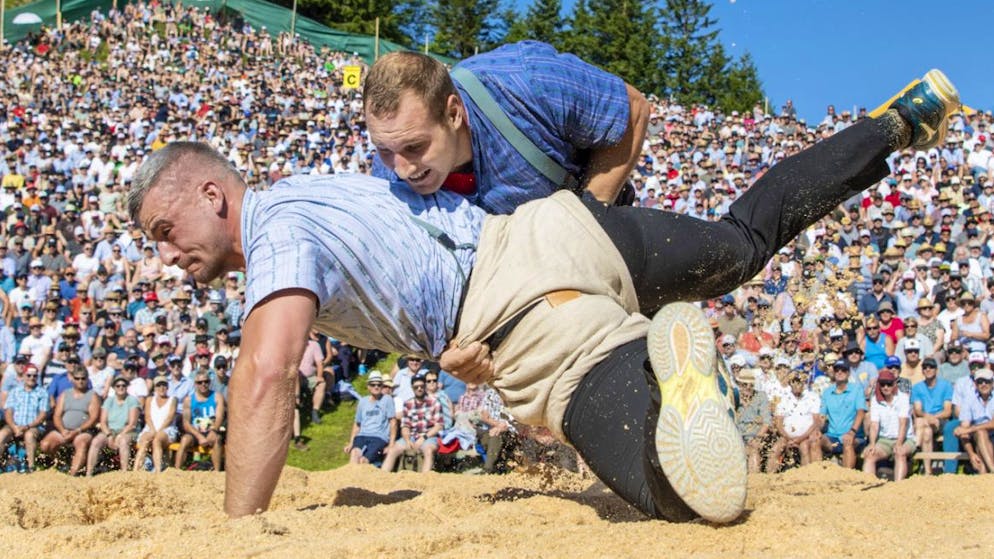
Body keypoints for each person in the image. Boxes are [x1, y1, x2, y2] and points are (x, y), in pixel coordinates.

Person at [126, 72, 961, 522]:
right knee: (740, 244)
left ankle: (674, 377)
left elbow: (266, 371)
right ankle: (892, 126)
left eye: (165, 232)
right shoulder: (314, 190)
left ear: (211, 196)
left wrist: (235, 531)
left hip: (526, 325)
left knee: (686, 495)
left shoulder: (273, 229)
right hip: (568, 232)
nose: (167, 258)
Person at [365, 42, 649, 213]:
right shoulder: (385, 181)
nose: (402, 169)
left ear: (453, 114)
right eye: (385, 150)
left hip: (587, 226)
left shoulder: (529, 80)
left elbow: (633, 111)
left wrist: (587, 216)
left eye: (415, 147)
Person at [39, 366, 100, 476]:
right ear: (72, 379)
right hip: (64, 430)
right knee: (45, 444)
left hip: (82, 431)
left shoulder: (92, 395)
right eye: (77, 378)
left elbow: (93, 418)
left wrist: (78, 430)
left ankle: (72, 475)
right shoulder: (65, 394)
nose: (80, 381)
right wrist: (62, 430)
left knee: (81, 444)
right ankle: (57, 463)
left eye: (83, 378)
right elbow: (57, 415)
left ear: (87, 379)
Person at [380, 374, 442, 473]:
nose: (419, 389)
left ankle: (424, 480)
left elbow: (438, 426)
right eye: (416, 387)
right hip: (412, 436)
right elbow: (405, 425)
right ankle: (382, 476)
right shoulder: (408, 403)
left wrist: (423, 438)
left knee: (428, 451)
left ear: (425, 386)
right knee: (392, 450)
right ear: (412, 388)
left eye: (421, 386)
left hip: (429, 436)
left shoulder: (434, 402)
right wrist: (407, 439)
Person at [863, 369, 917, 481]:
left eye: (889, 384)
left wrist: (899, 443)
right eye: (883, 384)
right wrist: (872, 444)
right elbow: (874, 425)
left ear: (894, 384)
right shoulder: (875, 400)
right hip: (884, 439)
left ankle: (898, 486)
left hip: (906, 438)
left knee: (900, 452)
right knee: (870, 454)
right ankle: (868, 485)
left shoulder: (903, 398)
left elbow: (903, 423)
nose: (886, 387)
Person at [85, 375, 141, 476]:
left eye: (123, 385)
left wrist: (120, 435)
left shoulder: (132, 400)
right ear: (114, 387)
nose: (121, 387)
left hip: (127, 431)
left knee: (123, 441)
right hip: (110, 430)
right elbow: (103, 422)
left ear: (127, 387)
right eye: (118, 385)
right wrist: (109, 435)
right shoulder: (109, 401)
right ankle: (89, 473)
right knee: (96, 441)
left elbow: (132, 424)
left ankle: (124, 473)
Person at [819, 360, 867, 469]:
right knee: (814, 440)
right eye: (837, 370)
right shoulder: (827, 392)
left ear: (848, 373)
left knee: (847, 442)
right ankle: (815, 477)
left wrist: (852, 432)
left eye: (843, 370)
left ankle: (847, 477)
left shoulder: (856, 389)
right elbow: (821, 417)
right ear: (833, 372)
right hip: (832, 436)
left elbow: (861, 412)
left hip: (853, 435)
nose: (840, 372)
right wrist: (816, 430)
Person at [0, 364, 49, 472]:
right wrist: (14, 427)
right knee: (1, 435)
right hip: (14, 425)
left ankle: (31, 467)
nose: (31, 378)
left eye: (34, 376)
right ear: (23, 376)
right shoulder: (15, 391)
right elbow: (8, 411)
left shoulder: (42, 392)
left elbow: (42, 415)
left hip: (33, 426)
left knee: (29, 435)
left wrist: (27, 426)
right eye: (29, 375)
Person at [770, 370, 823, 470]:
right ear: (790, 383)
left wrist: (801, 437)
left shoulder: (812, 397)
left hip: (805, 436)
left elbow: (816, 421)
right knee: (775, 449)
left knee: (804, 447)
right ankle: (768, 478)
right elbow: (779, 423)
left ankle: (805, 477)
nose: (798, 384)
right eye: (794, 381)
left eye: (800, 382)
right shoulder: (783, 399)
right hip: (786, 436)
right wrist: (788, 437)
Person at [175, 371, 225, 471]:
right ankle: (176, 471)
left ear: (209, 382)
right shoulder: (189, 400)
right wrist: (199, 436)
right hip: (195, 432)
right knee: (185, 440)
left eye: (206, 381)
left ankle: (216, 471)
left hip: (212, 429)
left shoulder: (217, 396)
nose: (203, 384)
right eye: (200, 382)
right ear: (195, 384)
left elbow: (219, 417)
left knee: (217, 439)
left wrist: (214, 431)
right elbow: (186, 423)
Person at [911, 357, 953, 475]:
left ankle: (915, 447)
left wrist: (934, 417)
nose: (928, 369)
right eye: (925, 367)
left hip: (940, 419)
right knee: (927, 432)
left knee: (920, 423)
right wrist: (929, 418)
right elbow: (918, 410)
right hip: (926, 421)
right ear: (922, 371)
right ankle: (928, 470)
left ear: (936, 370)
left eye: (931, 367)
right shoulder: (917, 387)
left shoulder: (946, 385)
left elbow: (947, 411)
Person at [344, 371, 396, 465]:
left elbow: (393, 422)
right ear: (368, 386)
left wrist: (391, 444)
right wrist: (351, 442)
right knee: (354, 454)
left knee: (364, 460)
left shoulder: (387, 399)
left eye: (379, 384)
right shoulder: (363, 402)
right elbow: (357, 424)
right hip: (362, 435)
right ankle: (351, 479)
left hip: (379, 437)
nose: (376, 387)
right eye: (373, 384)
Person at [952, 368, 994, 473]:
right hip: (978, 437)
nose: (983, 384)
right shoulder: (969, 399)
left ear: (992, 383)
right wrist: (971, 454)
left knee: (981, 450)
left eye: (987, 381)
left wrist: (971, 429)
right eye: (980, 382)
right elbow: (963, 430)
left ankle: (988, 476)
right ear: (975, 384)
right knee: (980, 435)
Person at [134, 376, 178, 473]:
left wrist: (158, 430)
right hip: (151, 428)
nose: (161, 388)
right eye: (158, 385)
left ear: (167, 387)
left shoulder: (173, 399)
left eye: (164, 385)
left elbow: (170, 418)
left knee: (157, 440)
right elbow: (147, 417)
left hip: (167, 429)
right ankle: (135, 470)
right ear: (155, 388)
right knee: (145, 440)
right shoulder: (150, 399)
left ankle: (158, 471)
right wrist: (153, 430)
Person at [733, 369, 773, 473]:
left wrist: (757, 437)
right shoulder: (734, 397)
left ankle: (754, 480)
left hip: (755, 435)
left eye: (750, 385)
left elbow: (767, 422)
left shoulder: (760, 396)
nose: (748, 387)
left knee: (754, 449)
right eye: (744, 384)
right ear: (739, 384)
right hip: (737, 436)